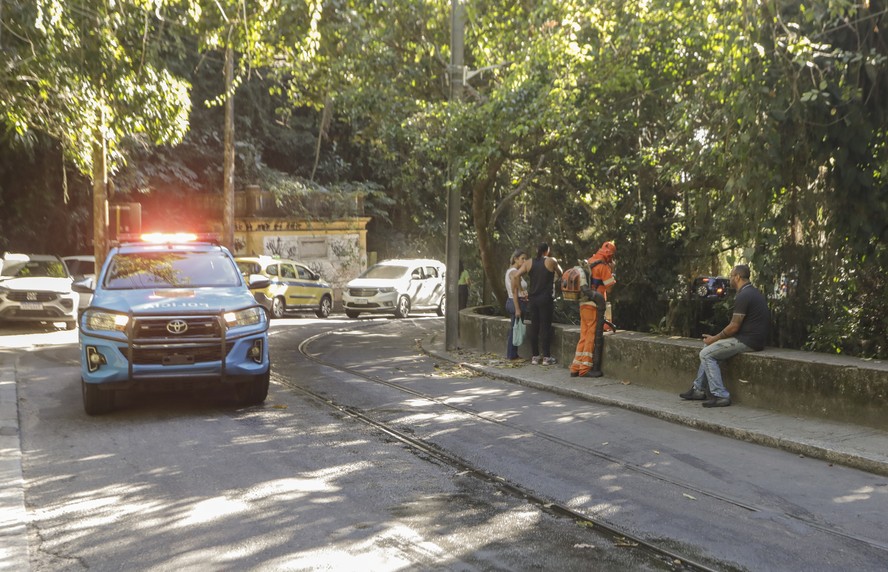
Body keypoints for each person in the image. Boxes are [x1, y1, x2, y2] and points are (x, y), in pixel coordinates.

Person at [680, 264, 770, 407]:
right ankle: (698, 390)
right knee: (707, 347)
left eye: (731, 276)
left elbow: (734, 326)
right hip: (750, 338)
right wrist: (713, 340)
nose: (730, 279)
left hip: (748, 341)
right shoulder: (752, 292)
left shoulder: (745, 295)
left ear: (738, 277)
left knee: (706, 354)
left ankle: (720, 395)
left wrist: (715, 338)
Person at [570, 241, 616, 378]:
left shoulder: (589, 261)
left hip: (584, 303)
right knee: (591, 336)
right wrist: (612, 271)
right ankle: (585, 369)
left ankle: (575, 367)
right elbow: (610, 287)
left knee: (583, 335)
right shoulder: (603, 266)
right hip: (594, 305)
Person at [513, 243, 563, 365]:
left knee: (535, 327)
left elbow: (516, 275)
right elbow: (561, 273)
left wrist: (521, 290)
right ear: (547, 251)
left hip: (533, 299)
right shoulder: (551, 261)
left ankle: (535, 356)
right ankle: (546, 357)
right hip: (546, 299)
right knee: (545, 327)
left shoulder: (528, 263)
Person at [505, 249, 529, 360]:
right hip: (515, 302)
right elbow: (514, 291)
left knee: (515, 328)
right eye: (522, 258)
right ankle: (511, 355)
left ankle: (513, 354)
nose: (524, 261)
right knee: (514, 329)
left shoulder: (515, 272)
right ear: (516, 259)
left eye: (525, 259)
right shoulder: (514, 272)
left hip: (516, 301)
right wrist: (517, 308)